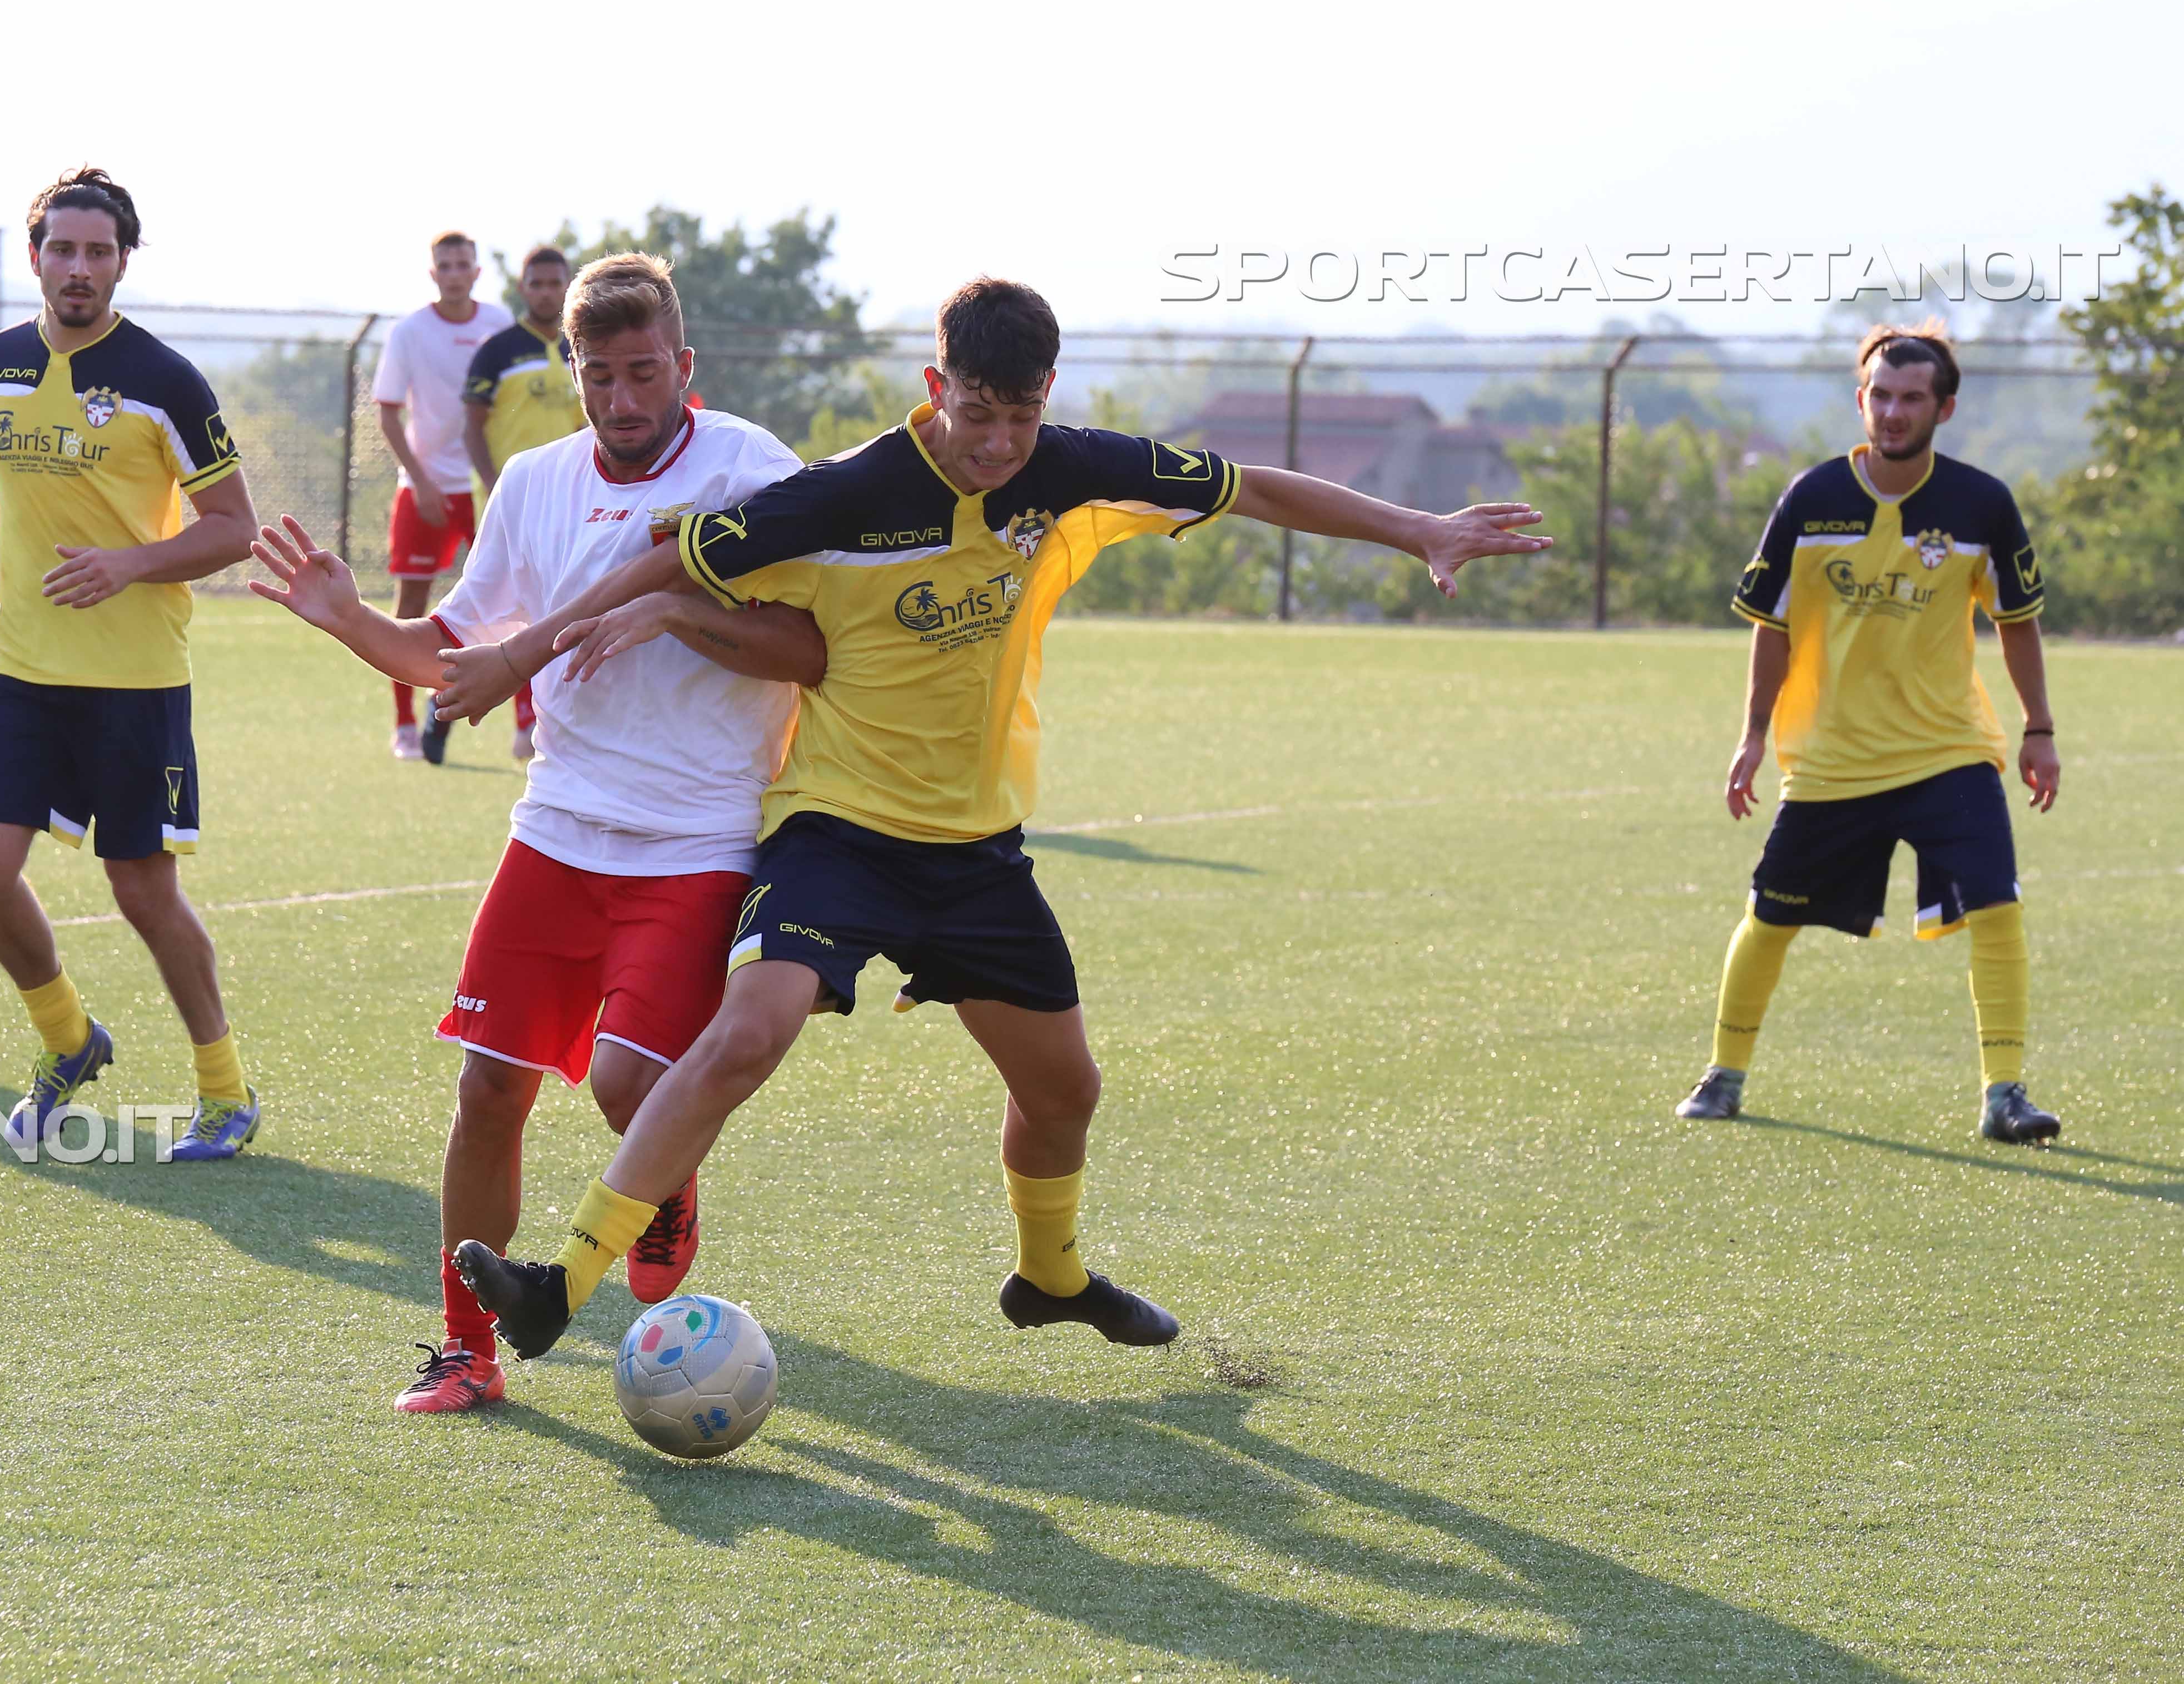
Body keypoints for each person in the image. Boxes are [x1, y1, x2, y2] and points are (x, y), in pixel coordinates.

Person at [440, 276, 1552, 1360]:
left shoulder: (1070, 466)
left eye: (1022, 417)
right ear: (938, 385)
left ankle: (1050, 1277)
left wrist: (1417, 529)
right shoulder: (844, 492)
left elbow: (1251, 487)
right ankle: (562, 1285)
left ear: (1048, 395)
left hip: (974, 852)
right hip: (833, 830)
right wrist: (520, 654)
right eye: (978, 414)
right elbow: (657, 559)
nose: (999, 444)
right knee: (746, 1037)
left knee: (1066, 1092)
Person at [247, 252, 821, 1412]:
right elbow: (452, 652)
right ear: (572, 371)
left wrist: (679, 614)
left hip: (697, 836)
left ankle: (667, 1182)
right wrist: (352, 619)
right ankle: (466, 1350)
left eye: (644, 373)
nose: (622, 399)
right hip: (556, 828)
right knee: (487, 1090)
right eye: (599, 375)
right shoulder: (538, 483)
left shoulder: (755, 472)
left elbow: (814, 652)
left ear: (685, 366)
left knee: (625, 1087)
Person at [0, 168, 265, 1160]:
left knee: (141, 890)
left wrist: (130, 564)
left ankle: (224, 1090)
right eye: (61, 249)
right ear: (36, 258)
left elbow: (235, 529)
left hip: (136, 680)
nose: (78, 268)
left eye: (97, 252)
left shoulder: (166, 381)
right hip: (20, 667)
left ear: (120, 263)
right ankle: (70, 1039)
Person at [1677, 323, 2062, 1143]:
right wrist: (1752, 735)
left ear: (1944, 408)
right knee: (1771, 916)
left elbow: (2019, 622)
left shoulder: (1981, 504)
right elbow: (1770, 626)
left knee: (1998, 906)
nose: (1892, 412)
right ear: (1861, 400)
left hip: (1948, 751)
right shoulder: (1811, 500)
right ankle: (1724, 1075)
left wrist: (2039, 730)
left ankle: (2005, 1096)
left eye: (1911, 398)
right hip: (1832, 758)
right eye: (1879, 396)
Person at [372, 230, 510, 760]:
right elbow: (387, 412)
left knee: (514, 600)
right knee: (411, 606)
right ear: (434, 274)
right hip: (424, 490)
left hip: (486, 486)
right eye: (445, 266)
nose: (454, 273)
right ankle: (404, 724)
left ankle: (525, 726)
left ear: (477, 272)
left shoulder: (499, 325)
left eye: (463, 265)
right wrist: (422, 480)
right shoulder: (410, 332)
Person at [458, 244, 583, 761]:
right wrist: (492, 485)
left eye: (556, 283)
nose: (547, 293)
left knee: (558, 603)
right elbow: (470, 427)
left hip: (569, 498)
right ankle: (446, 709)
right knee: (500, 610)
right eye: (538, 284)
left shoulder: (583, 348)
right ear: (523, 288)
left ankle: (536, 723)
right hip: (509, 499)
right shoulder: (499, 349)